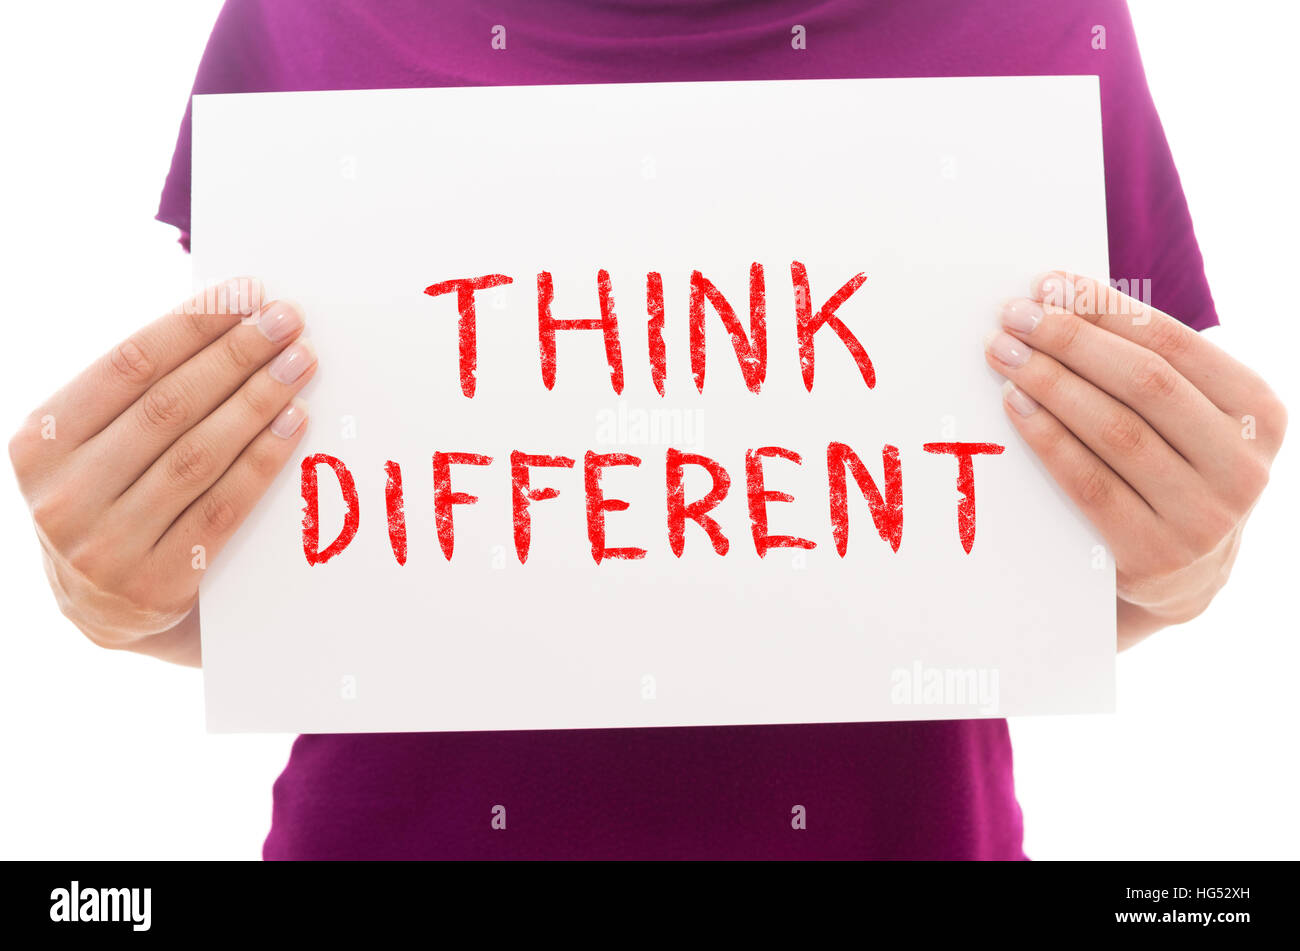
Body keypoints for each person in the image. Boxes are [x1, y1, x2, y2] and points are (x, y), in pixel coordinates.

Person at [8, 0, 1285, 859]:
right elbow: (310, 565)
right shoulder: (305, 13)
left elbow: (1033, 574)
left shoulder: (1045, 20)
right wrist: (128, 602)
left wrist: (1175, 578)